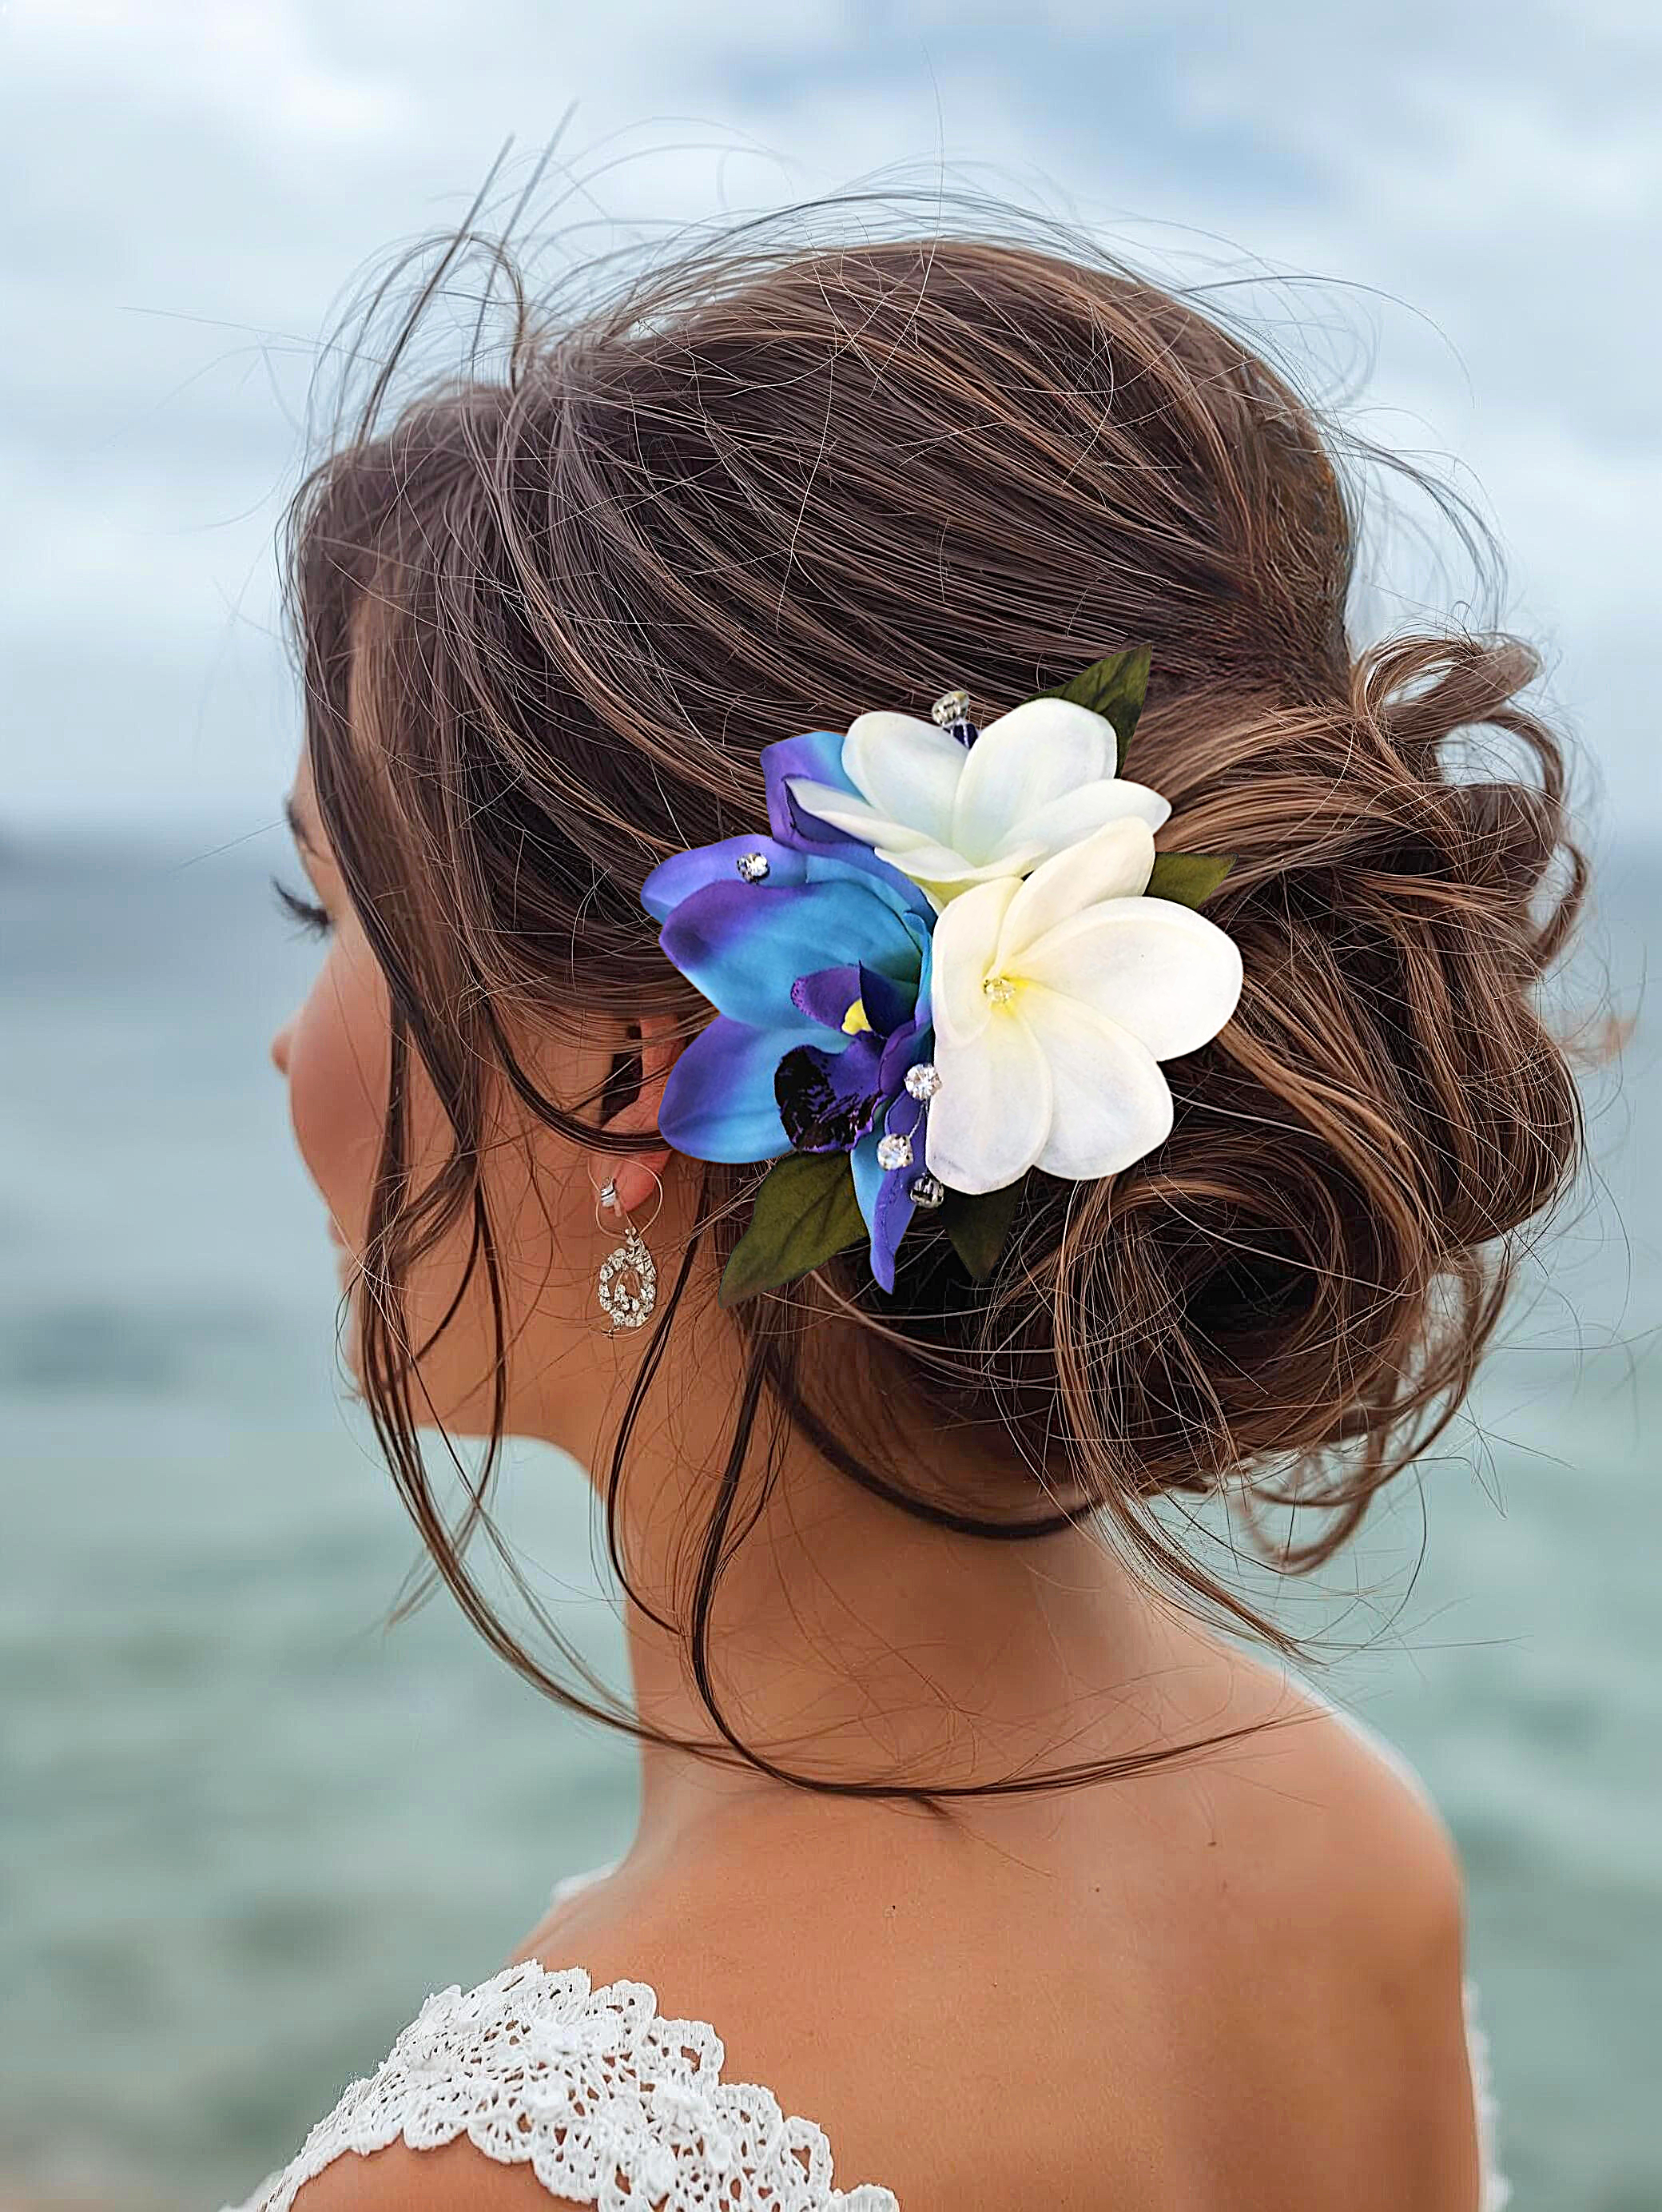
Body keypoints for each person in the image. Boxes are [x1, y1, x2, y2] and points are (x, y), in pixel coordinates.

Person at [231, 207, 1585, 2210]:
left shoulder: (511, 2180)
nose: (287, 1051)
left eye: (332, 915)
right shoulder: (1330, 1837)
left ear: (629, 1053)